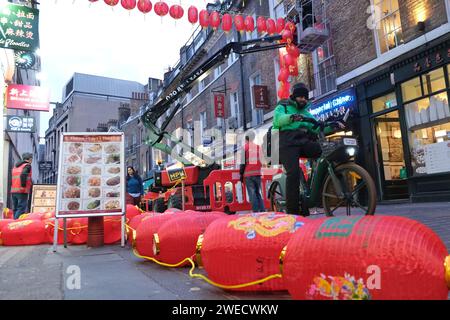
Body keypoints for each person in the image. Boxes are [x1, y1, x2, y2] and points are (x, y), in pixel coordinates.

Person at [273, 83, 344, 215]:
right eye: (300, 97)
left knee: (324, 152)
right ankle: (292, 212)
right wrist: (291, 118)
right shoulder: (283, 106)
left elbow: (316, 127)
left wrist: (332, 126)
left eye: (305, 97)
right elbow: (278, 120)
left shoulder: (306, 113)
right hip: (286, 142)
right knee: (293, 173)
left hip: (302, 141)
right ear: (294, 96)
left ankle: (313, 190)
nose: (303, 100)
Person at [239, 132, 265, 213]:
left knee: (252, 194)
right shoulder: (258, 147)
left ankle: (256, 212)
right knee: (258, 193)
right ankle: (262, 211)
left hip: (248, 175)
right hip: (257, 174)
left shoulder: (245, 148)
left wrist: (241, 174)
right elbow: (262, 161)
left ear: (246, 139)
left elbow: (242, 163)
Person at [11, 152, 33, 219]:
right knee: (21, 208)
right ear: (29, 159)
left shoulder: (16, 167)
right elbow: (23, 174)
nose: (31, 161)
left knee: (15, 208)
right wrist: (23, 186)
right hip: (22, 191)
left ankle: (12, 225)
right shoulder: (27, 166)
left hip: (14, 190)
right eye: (31, 159)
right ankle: (16, 224)